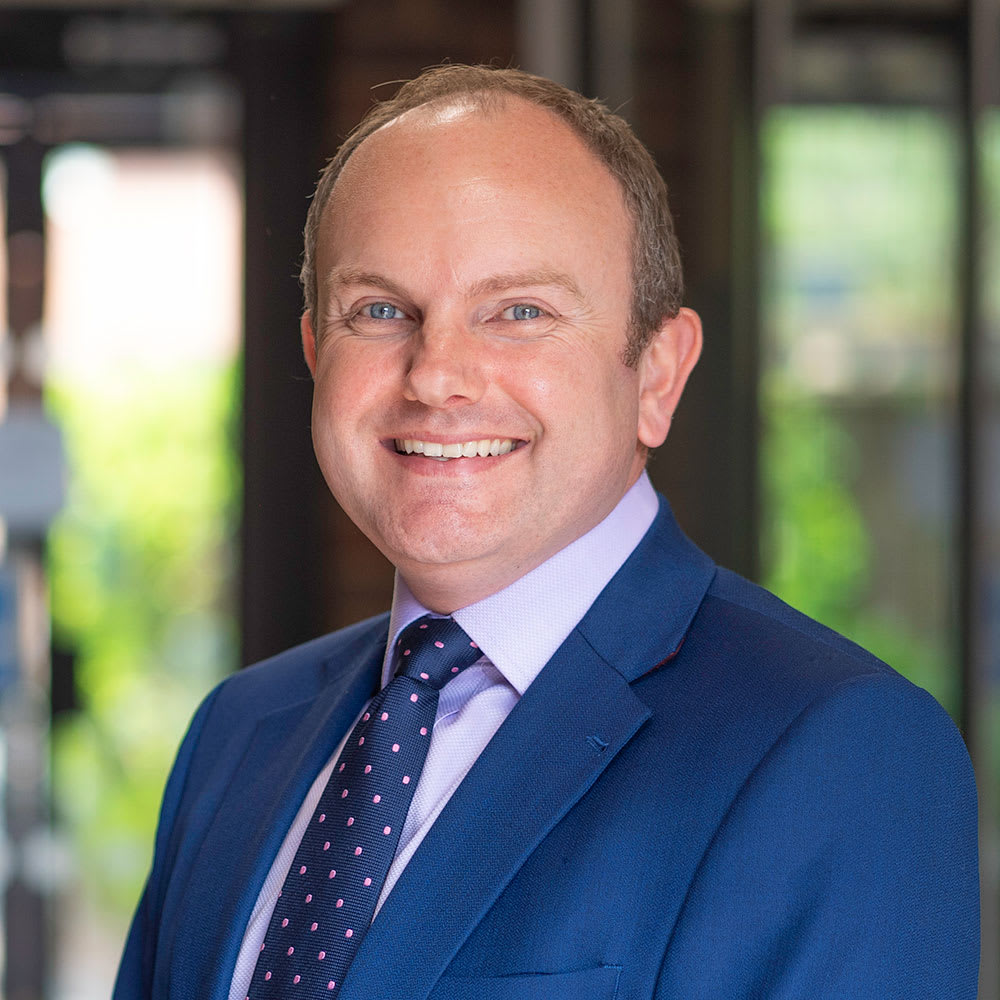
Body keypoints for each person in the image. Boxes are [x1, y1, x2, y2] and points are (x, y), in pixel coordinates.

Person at [113, 65, 979, 1000]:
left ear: (657, 374)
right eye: (380, 312)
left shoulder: (839, 753)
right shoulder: (239, 733)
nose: (436, 376)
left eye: (519, 312)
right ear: (316, 354)